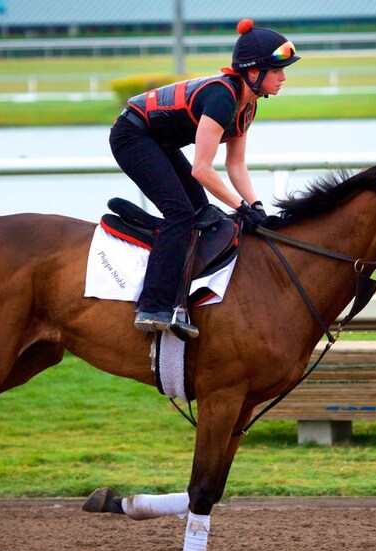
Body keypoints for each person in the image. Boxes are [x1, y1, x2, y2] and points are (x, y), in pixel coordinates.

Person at [110, 19, 300, 339]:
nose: (283, 77)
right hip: (132, 135)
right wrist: (241, 207)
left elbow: (235, 164)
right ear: (254, 73)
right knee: (181, 213)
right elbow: (201, 169)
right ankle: (152, 306)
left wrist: (255, 206)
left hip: (160, 142)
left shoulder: (247, 106)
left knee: (203, 214)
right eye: (277, 70)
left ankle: (183, 298)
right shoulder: (222, 98)